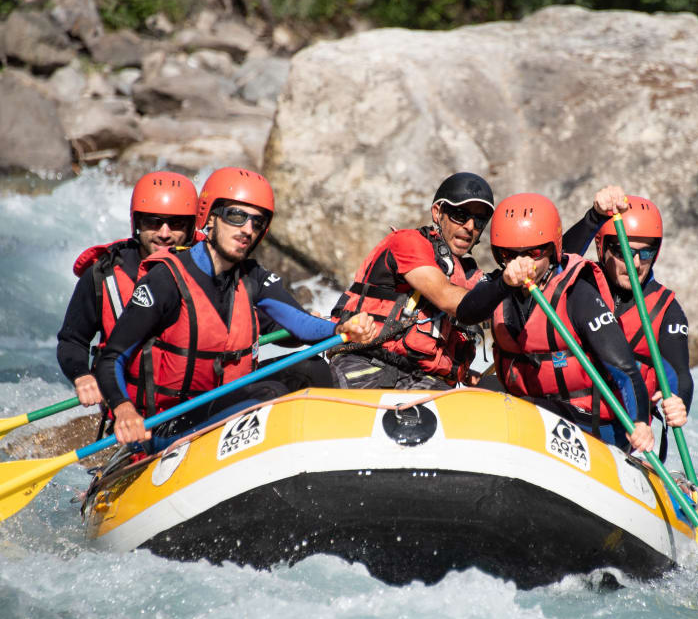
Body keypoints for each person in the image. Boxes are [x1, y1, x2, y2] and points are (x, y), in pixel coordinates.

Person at [95, 167, 376, 447]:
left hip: (216, 405)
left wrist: (340, 328)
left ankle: (326, 449)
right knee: (270, 393)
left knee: (311, 368)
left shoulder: (252, 275)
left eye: (257, 221)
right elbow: (111, 358)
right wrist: (123, 410)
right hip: (164, 424)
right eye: (236, 216)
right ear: (210, 218)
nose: (247, 229)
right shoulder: (166, 279)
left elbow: (300, 322)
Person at [455, 192, 654, 453]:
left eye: (533, 252)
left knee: (518, 410)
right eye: (510, 254)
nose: (522, 262)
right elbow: (465, 313)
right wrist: (504, 283)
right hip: (532, 409)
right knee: (477, 396)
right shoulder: (500, 286)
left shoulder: (577, 294)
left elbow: (624, 369)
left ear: (553, 250)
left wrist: (640, 423)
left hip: (590, 422)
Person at [329, 172, 494, 390]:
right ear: (437, 212)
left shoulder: (471, 277)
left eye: (479, 220)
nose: (470, 226)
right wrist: (503, 288)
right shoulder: (408, 242)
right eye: (460, 215)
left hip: (424, 379)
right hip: (367, 362)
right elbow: (448, 298)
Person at [57, 171, 199, 408]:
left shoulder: (212, 271)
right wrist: (81, 376)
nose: (164, 234)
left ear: (191, 227)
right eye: (153, 222)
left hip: (201, 409)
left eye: (175, 224)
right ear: (137, 223)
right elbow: (72, 340)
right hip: (130, 414)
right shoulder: (103, 276)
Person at [563, 185, 692, 443]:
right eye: (623, 251)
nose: (635, 264)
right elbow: (553, 260)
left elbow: (680, 373)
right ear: (602, 248)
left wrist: (679, 401)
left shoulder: (666, 309)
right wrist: (594, 217)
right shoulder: (576, 284)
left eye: (646, 253)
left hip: (615, 431)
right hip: (561, 414)